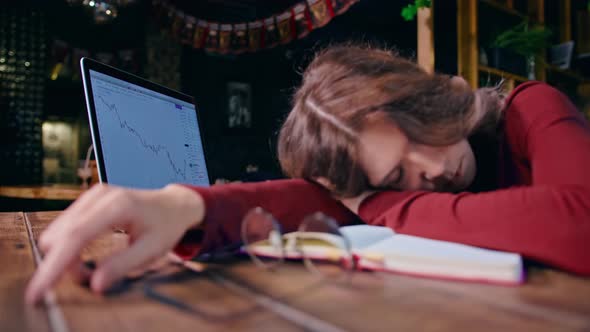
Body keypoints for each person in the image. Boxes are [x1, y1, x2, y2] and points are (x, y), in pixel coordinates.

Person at [26, 45, 590, 304]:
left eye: (423, 131)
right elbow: (319, 201)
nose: (436, 167)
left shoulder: (531, 107)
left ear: (432, 99)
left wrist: (385, 204)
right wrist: (186, 206)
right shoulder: (373, 194)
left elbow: (580, 222)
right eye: (398, 174)